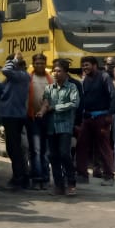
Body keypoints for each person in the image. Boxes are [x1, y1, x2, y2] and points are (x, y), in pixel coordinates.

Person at [41, 58, 81, 195]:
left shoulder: (72, 87)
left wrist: (55, 107)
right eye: (54, 71)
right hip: (51, 127)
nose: (56, 73)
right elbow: (45, 102)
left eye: (59, 71)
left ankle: (71, 183)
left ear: (65, 72)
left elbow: (74, 103)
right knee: (53, 156)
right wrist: (42, 111)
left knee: (64, 154)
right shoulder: (49, 88)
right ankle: (59, 185)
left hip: (65, 126)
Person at [76, 56, 115, 183]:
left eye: (87, 65)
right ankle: (82, 175)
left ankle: (109, 176)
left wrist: (109, 115)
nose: (85, 67)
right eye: (83, 65)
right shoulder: (85, 80)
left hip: (101, 118)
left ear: (94, 65)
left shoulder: (104, 77)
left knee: (103, 147)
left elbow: (114, 96)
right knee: (81, 146)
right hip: (87, 118)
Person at [0, 54, 32, 189]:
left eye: (11, 63)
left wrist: (14, 60)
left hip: (14, 115)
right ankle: (21, 176)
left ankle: (19, 179)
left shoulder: (21, 76)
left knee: (14, 148)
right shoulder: (13, 78)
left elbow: (6, 70)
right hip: (9, 115)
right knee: (13, 148)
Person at [26, 53, 51, 189]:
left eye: (42, 63)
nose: (40, 65)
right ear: (33, 64)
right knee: (35, 150)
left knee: (45, 151)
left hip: (47, 118)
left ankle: (45, 178)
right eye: (37, 63)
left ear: (45, 64)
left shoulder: (50, 79)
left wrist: (44, 110)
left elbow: (52, 98)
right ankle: (36, 178)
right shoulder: (28, 78)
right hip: (32, 118)